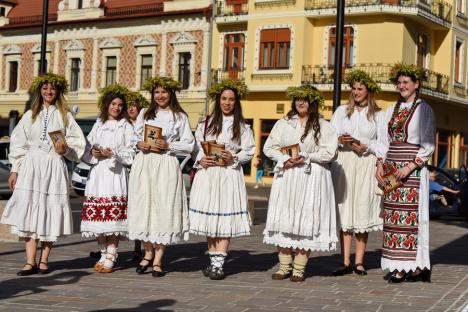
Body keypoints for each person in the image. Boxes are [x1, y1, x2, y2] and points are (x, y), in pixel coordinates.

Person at [1, 73, 86, 276]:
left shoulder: (66, 115)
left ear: (58, 92)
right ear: (40, 90)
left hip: (53, 166)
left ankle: (44, 259)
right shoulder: (31, 114)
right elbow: (18, 143)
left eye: (53, 89)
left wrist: (65, 150)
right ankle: (30, 261)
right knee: (30, 212)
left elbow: (78, 143)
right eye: (45, 88)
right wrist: (15, 169)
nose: (49, 92)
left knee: (49, 211)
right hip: (31, 166)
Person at [263, 85, 338, 282]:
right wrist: (283, 159)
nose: (300, 102)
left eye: (304, 99)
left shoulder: (323, 125)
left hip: (310, 177)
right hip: (287, 176)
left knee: (306, 219)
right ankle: (284, 265)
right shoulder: (284, 123)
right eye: (297, 99)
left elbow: (331, 152)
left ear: (312, 102)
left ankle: (299, 268)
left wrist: (307, 156)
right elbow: (269, 147)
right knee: (284, 217)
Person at [127, 76, 195, 277]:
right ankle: (147, 253)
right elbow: (133, 137)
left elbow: (189, 144)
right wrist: (139, 144)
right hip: (145, 163)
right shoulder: (145, 113)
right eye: (157, 92)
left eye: (164, 92)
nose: (160, 95)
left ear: (171, 93)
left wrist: (168, 145)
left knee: (163, 209)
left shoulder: (180, 116)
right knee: (145, 208)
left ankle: (158, 258)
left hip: (165, 163)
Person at [189, 79, 255, 280]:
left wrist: (233, 157)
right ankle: (214, 262)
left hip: (228, 174)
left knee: (224, 217)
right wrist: (201, 159)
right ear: (218, 100)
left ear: (236, 102)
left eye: (231, 99)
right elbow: (195, 148)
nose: (227, 103)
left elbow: (250, 150)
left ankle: (218, 265)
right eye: (224, 99)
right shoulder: (205, 123)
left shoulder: (242, 127)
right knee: (211, 219)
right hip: (208, 174)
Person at [376, 63, 435, 283]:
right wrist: (380, 163)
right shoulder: (391, 110)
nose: (402, 86)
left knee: (412, 220)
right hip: (392, 168)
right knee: (393, 220)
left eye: (406, 82)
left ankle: (414, 267)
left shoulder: (424, 109)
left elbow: (428, 144)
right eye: (399, 83)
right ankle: (397, 264)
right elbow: (384, 140)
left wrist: (410, 166)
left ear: (416, 84)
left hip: (412, 170)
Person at [330, 69, 385, 276]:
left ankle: (360, 261)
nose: (356, 92)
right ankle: (344, 261)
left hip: (365, 163)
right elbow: (329, 135)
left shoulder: (379, 114)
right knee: (345, 209)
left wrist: (367, 147)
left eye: (360, 89)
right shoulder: (341, 111)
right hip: (344, 162)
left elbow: (384, 143)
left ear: (368, 91)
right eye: (353, 88)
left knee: (362, 208)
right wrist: (340, 140)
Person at [80, 85, 135, 273]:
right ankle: (103, 252)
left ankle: (111, 255)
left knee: (112, 220)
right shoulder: (98, 123)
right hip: (98, 173)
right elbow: (87, 147)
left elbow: (131, 153)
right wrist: (93, 151)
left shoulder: (126, 126)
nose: (117, 108)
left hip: (115, 174)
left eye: (120, 105)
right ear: (107, 105)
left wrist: (114, 153)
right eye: (113, 104)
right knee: (98, 219)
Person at [126, 90, 149, 261]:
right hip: (125, 169)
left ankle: (138, 246)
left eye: (133, 105)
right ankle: (106, 244)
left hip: (139, 166)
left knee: (140, 205)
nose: (130, 108)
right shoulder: (123, 123)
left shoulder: (143, 121)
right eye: (128, 105)